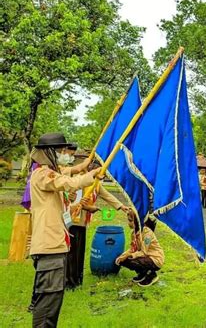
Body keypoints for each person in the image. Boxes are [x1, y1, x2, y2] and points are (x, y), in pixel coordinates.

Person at [29, 133, 101, 327]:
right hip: (48, 247)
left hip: (55, 244)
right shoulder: (42, 173)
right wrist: (91, 175)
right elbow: (68, 181)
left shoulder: (49, 173)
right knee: (47, 304)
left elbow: (66, 176)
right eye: (61, 151)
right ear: (49, 153)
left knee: (52, 301)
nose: (64, 154)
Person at [65, 159, 130, 290]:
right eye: (101, 173)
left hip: (82, 223)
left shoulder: (96, 185)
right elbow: (74, 204)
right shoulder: (80, 181)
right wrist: (89, 208)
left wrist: (122, 207)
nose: (103, 176)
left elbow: (108, 196)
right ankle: (69, 282)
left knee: (79, 252)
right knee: (71, 253)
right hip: (73, 222)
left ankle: (77, 280)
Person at [116, 211, 164, 287]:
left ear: (137, 221)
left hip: (154, 259)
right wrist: (122, 257)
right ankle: (143, 274)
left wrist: (131, 255)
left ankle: (152, 275)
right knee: (123, 260)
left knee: (132, 260)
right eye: (128, 220)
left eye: (130, 220)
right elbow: (132, 249)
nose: (129, 223)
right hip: (144, 257)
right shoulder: (134, 233)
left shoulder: (147, 233)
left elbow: (143, 252)